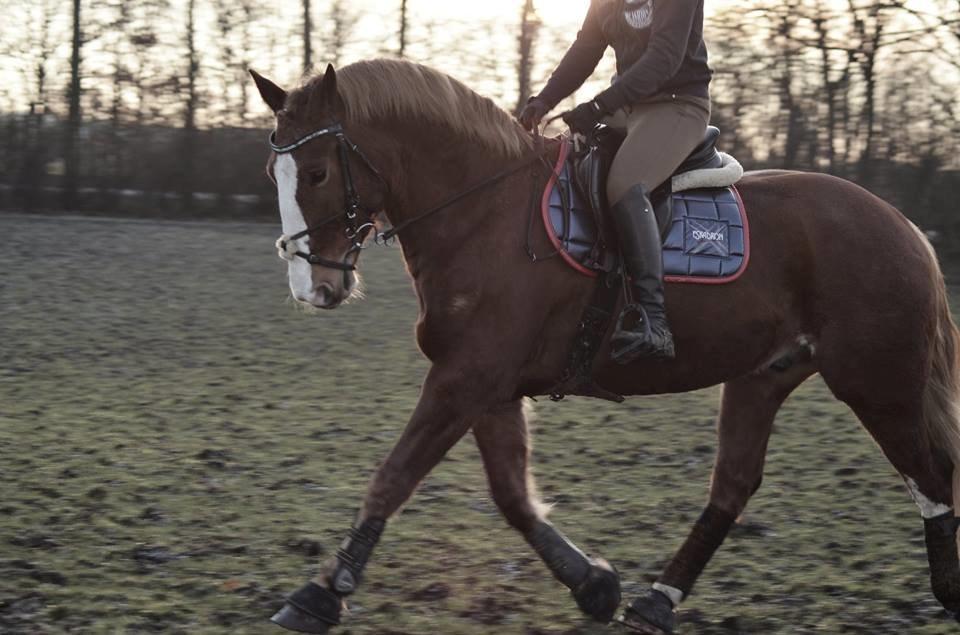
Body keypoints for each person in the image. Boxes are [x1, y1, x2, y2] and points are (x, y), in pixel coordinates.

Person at [519, 0, 712, 363]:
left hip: (678, 104)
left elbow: (664, 58)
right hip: (628, 108)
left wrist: (597, 106)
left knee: (624, 185)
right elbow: (585, 50)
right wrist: (543, 100)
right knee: (565, 158)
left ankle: (654, 322)